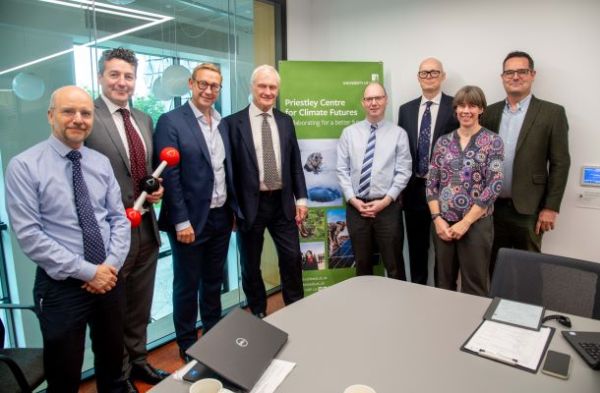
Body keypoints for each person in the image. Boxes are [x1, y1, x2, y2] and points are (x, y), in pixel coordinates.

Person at [5, 86, 130, 393]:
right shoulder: (24, 166)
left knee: (114, 364)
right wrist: (89, 272)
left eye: (85, 113)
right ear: (51, 116)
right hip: (61, 288)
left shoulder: (99, 163)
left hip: (108, 280)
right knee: (64, 374)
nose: (78, 119)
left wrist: (108, 268)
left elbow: (118, 220)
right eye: (68, 112)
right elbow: (30, 236)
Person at [85, 47, 167, 391]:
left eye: (129, 76)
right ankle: (118, 373)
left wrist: (156, 187)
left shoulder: (143, 119)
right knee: (113, 308)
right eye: (115, 74)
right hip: (110, 234)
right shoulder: (88, 116)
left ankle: (138, 360)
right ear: (101, 77)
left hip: (146, 226)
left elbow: (144, 171)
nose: (122, 82)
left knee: (139, 303)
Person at [154, 63, 237, 361]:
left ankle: (213, 336)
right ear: (191, 84)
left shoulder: (222, 123)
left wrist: (233, 213)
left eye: (214, 85)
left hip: (220, 216)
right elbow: (170, 177)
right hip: (189, 221)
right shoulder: (171, 121)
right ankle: (188, 345)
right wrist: (180, 221)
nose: (208, 90)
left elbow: (227, 171)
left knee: (213, 282)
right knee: (187, 285)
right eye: (203, 83)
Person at [224, 64, 308, 318]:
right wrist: (232, 210)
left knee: (292, 259)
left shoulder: (285, 121)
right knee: (251, 265)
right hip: (250, 208)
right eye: (263, 86)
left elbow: (295, 163)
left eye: (273, 87)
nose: (268, 91)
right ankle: (259, 311)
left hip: (282, 204)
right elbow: (228, 171)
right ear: (252, 87)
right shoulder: (232, 123)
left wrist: (301, 199)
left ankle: (296, 310)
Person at [480, 51, 570, 275]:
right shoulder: (489, 113)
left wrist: (550, 207)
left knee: (529, 270)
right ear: (502, 77)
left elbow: (561, 163)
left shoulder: (552, 113)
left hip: (529, 209)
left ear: (532, 74)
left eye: (522, 71)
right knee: (494, 267)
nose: (515, 76)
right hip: (493, 207)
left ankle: (528, 310)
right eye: (509, 72)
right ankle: (493, 308)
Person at [427, 86, 504, 296]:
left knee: (475, 285)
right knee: (444, 283)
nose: (466, 110)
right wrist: (437, 219)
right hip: (443, 224)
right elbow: (431, 184)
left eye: (472, 105)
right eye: (461, 105)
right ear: (455, 110)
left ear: (481, 109)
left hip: (477, 224)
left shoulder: (492, 141)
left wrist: (466, 222)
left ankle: (473, 327)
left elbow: (495, 184)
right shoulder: (442, 142)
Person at [337, 82, 412, 280]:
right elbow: (342, 170)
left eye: (378, 98)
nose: (373, 103)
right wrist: (353, 200)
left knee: (394, 264)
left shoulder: (399, 134)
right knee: (362, 265)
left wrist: (386, 201)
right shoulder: (349, 133)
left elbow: (404, 171)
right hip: (357, 207)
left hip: (388, 207)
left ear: (385, 100)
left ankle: (398, 307)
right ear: (363, 103)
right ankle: (366, 308)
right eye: (369, 99)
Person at [397, 57, 459, 285]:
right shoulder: (406, 110)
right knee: (416, 249)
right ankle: (418, 294)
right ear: (418, 77)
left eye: (434, 72)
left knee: (444, 253)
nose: (429, 76)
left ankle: (443, 297)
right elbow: (402, 152)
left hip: (446, 193)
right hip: (413, 192)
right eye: (424, 73)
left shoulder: (456, 107)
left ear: (443, 76)